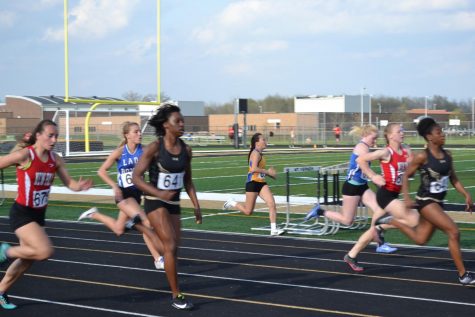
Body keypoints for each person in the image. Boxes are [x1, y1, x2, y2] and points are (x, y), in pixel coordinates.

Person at [0, 119, 93, 310]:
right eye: (50, 135)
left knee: (27, 259)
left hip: (39, 215)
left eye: (56, 136)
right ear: (38, 135)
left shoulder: (55, 159)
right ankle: (5, 251)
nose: (54, 139)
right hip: (22, 213)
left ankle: (1, 291)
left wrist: (79, 187)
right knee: (44, 251)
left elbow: (70, 183)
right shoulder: (26, 155)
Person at [377, 118, 475, 285]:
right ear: (429, 137)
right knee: (454, 231)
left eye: (442, 132)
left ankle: (392, 221)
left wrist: (466, 195)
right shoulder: (423, 156)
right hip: (426, 202)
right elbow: (407, 175)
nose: (443, 135)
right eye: (439, 133)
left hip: (438, 202)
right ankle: (463, 274)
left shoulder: (448, 155)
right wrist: (407, 198)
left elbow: (454, 179)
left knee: (420, 240)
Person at [132, 103, 202, 310]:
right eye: (177, 121)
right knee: (169, 246)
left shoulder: (186, 150)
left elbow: (188, 180)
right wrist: (158, 193)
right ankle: (176, 295)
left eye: (183, 121)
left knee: (172, 250)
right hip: (155, 201)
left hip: (174, 203)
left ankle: (140, 227)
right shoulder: (155, 148)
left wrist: (196, 206)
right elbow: (136, 177)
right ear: (165, 125)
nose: (182, 124)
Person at [304, 125, 398, 266]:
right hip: (352, 188)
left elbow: (364, 171)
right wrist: (377, 179)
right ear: (366, 135)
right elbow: (364, 169)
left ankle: (380, 243)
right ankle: (320, 211)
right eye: (374, 138)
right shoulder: (362, 148)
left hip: (362, 186)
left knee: (380, 210)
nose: (375, 141)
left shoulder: (366, 147)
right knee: (348, 221)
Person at [77, 121, 165, 270]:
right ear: (127, 135)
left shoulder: (144, 150)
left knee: (119, 230)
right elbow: (101, 171)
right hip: (123, 195)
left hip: (136, 195)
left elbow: (156, 164)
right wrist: (114, 186)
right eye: (136, 132)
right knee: (146, 223)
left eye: (139, 131)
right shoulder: (120, 152)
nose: (139, 134)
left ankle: (94, 215)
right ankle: (158, 259)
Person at [341, 123, 419, 271]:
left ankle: (351, 255)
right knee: (414, 220)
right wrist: (373, 176)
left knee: (373, 232)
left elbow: (410, 171)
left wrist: (412, 165)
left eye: (403, 131)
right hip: (386, 195)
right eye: (399, 131)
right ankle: (380, 225)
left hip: (395, 194)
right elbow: (360, 160)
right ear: (390, 136)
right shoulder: (385, 152)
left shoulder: (406, 150)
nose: (402, 133)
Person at [223, 133, 284, 236]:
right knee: (248, 211)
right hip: (252, 183)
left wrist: (271, 175)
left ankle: (273, 229)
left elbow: (259, 171)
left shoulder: (260, 154)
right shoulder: (255, 153)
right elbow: (253, 169)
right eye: (263, 140)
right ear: (257, 143)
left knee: (272, 203)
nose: (265, 142)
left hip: (261, 183)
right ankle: (232, 202)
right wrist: (268, 172)